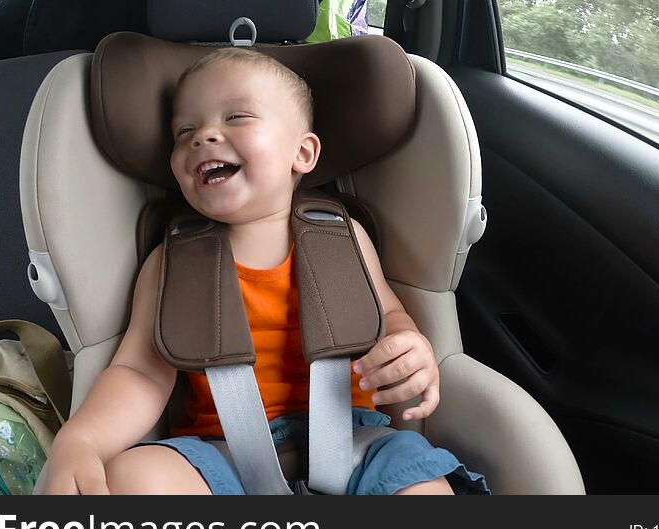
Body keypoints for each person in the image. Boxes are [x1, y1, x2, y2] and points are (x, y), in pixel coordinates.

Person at [44, 48, 487, 495]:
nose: (204, 137)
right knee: (133, 478)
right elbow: (140, 371)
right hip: (219, 453)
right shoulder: (171, 262)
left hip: (357, 441)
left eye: (236, 117)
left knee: (423, 483)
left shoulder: (344, 238)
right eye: (185, 131)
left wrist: (410, 347)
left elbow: (388, 317)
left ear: (303, 151)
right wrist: (83, 440)